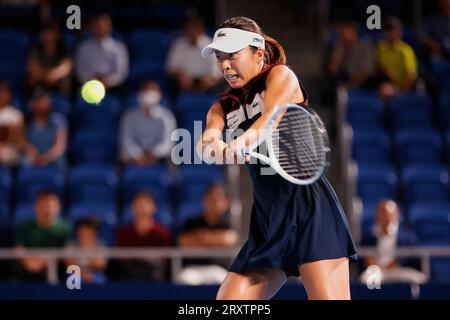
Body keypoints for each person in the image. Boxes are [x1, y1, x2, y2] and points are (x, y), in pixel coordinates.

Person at [197, 16, 357, 300]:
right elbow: (208, 140)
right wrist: (213, 148)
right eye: (220, 57)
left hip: (308, 207)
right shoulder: (220, 108)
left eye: (232, 55)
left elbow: (271, 117)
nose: (224, 65)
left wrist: (242, 141)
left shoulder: (281, 76)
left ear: (258, 54)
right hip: (269, 217)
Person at [176, 184, 237, 285]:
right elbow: (183, 242)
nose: (214, 202)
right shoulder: (191, 222)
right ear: (203, 201)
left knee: (227, 284)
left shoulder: (227, 224)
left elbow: (228, 241)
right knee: (182, 279)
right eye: (210, 199)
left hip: (218, 269)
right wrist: (215, 240)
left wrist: (200, 237)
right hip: (193, 269)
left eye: (218, 199)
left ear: (226, 203)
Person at [359, 199, 426, 285]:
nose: (386, 218)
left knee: (420, 279)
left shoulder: (407, 237)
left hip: (399, 270)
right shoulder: (368, 237)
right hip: (377, 270)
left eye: (388, 215)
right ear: (377, 216)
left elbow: (414, 257)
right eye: (382, 214)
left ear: (396, 215)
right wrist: (368, 261)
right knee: (366, 280)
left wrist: (397, 262)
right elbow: (361, 256)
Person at [14, 191, 71, 282]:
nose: (47, 209)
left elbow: (66, 253)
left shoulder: (65, 228)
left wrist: (45, 261)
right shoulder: (25, 226)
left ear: (58, 208)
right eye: (43, 205)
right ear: (35, 206)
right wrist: (29, 263)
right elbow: (19, 248)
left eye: (51, 206)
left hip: (55, 270)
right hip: (27, 269)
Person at [116, 192, 172, 280]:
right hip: (130, 272)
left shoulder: (162, 233)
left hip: (154, 272)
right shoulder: (124, 232)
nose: (142, 207)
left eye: (146, 203)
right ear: (132, 207)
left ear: (154, 207)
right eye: (138, 204)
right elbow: (122, 258)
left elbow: (165, 259)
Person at [119, 80, 176, 166]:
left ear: (159, 94)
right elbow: (127, 139)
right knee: (122, 155)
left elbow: (168, 141)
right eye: (145, 91)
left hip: (160, 158)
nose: (148, 94)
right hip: (134, 158)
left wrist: (155, 154)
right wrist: (137, 155)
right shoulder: (129, 116)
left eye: (152, 90)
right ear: (139, 95)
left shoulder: (167, 116)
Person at [166, 15, 222, 94]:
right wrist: (180, 74)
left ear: (201, 30)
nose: (191, 32)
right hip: (184, 83)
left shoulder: (210, 44)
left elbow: (217, 70)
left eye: (195, 29)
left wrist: (211, 78)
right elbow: (170, 68)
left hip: (206, 83)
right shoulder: (178, 44)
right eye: (189, 29)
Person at [75, 13, 129, 91]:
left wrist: (108, 81)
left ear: (110, 27)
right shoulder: (83, 47)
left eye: (102, 26)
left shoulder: (119, 48)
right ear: (92, 28)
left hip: (113, 89)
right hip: (89, 88)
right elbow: (80, 71)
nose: (100, 29)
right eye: (97, 26)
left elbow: (121, 72)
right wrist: (93, 81)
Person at [26, 22, 73, 95]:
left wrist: (52, 76)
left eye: (51, 33)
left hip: (58, 85)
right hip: (39, 85)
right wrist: (46, 77)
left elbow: (66, 68)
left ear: (57, 35)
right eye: (46, 33)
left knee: (66, 82)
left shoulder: (63, 49)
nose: (49, 36)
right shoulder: (36, 49)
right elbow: (33, 69)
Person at [375, 17, 418, 98]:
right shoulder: (379, 47)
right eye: (388, 29)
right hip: (384, 85)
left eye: (393, 29)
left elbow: (411, 75)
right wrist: (384, 70)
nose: (390, 33)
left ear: (400, 32)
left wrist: (401, 92)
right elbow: (377, 66)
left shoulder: (406, 50)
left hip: (402, 88)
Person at [23, 91, 67, 169]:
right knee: (24, 160)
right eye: (38, 101)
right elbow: (23, 142)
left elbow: (60, 146)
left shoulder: (58, 120)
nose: (41, 104)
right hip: (34, 157)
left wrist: (46, 158)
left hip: (52, 157)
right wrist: (32, 153)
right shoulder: (26, 122)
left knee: (61, 160)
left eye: (43, 100)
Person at [65, 216, 108, 284]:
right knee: (73, 282)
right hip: (76, 273)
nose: (84, 234)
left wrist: (87, 250)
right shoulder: (71, 245)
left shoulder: (100, 245)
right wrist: (82, 273)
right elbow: (69, 264)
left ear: (95, 233)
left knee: (100, 281)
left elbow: (102, 265)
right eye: (81, 231)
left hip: (95, 273)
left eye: (87, 231)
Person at [0, 81, 25, 167]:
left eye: (5, 92)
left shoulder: (16, 115)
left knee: (7, 155)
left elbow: (20, 141)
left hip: (10, 149)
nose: (2, 95)